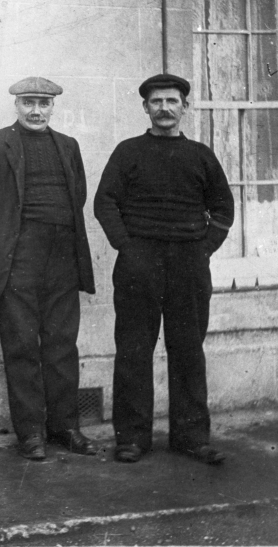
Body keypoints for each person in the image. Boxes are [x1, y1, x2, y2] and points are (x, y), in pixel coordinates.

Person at [94, 74, 234, 465]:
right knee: (134, 349)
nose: (165, 108)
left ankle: (191, 437)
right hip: (138, 262)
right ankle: (132, 438)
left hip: (189, 262)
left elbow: (223, 208)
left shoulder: (201, 155)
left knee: (188, 349)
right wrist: (127, 246)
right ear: (146, 108)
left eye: (172, 101)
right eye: (156, 102)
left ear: (185, 107)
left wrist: (204, 248)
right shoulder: (128, 152)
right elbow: (105, 202)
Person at [0, 77, 97, 461]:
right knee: (21, 346)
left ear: (53, 106)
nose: (36, 111)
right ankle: (32, 433)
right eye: (28, 103)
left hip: (63, 258)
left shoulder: (68, 146)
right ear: (17, 105)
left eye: (43, 103)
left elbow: (77, 196)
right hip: (18, 261)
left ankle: (66, 427)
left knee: (62, 346)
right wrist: (4, 244)